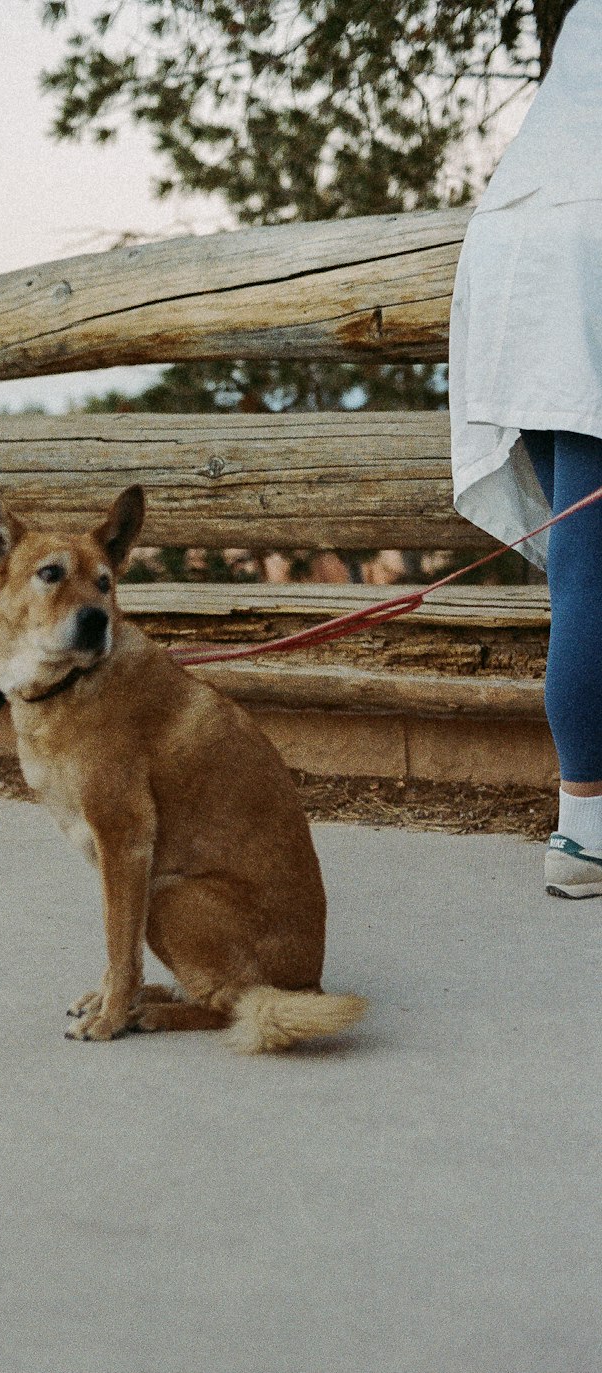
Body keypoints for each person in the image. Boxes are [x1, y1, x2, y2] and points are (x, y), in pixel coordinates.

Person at [449, 0, 602, 898]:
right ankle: (583, 832)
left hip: (517, 248)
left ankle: (588, 821)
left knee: (585, 569)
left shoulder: (585, 14)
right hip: (585, 255)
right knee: (591, 566)